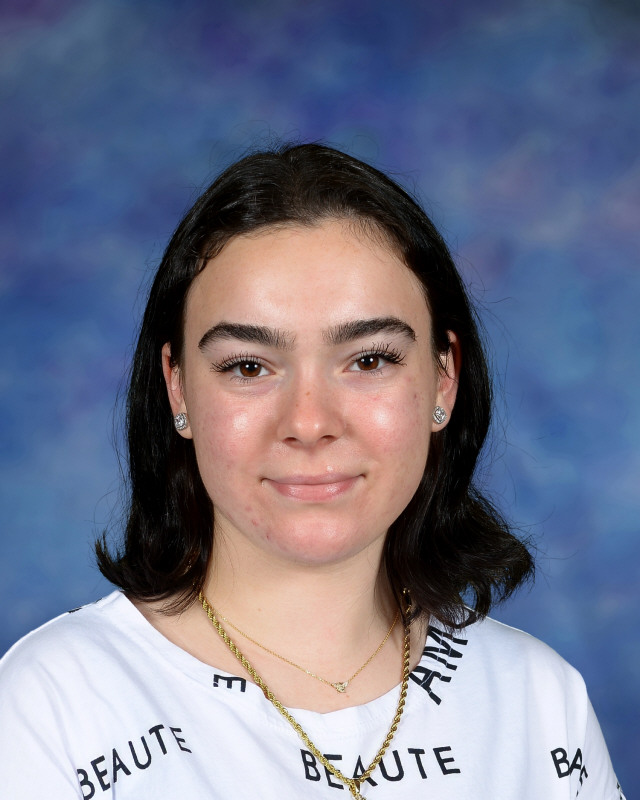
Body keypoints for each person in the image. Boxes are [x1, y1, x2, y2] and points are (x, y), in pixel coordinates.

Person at [0, 143, 624, 799]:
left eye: (369, 360)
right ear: (177, 390)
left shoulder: (538, 703)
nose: (308, 421)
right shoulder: (52, 710)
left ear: (444, 379)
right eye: (248, 366)